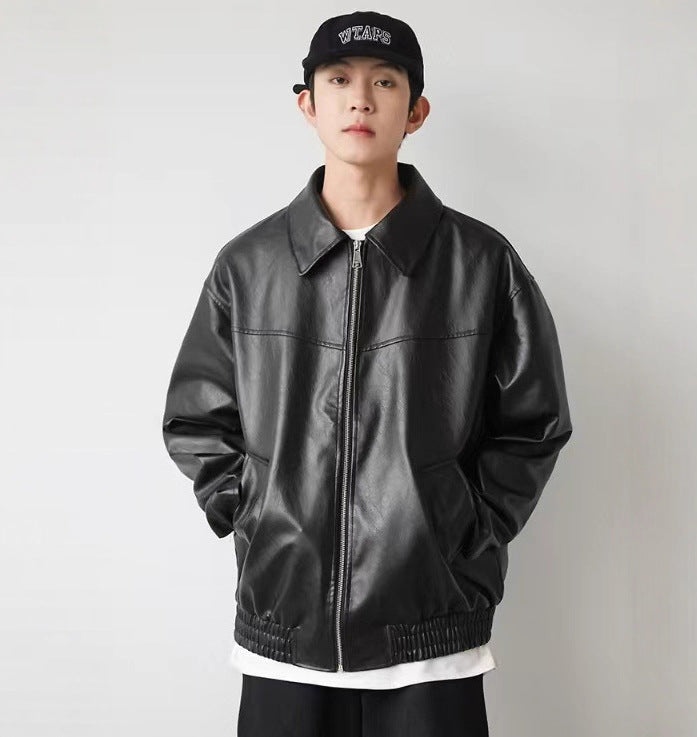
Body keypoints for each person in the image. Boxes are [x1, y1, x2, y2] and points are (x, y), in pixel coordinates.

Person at [162, 10, 573, 736]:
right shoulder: (247, 266)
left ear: (415, 112)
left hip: (431, 637)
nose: (360, 99)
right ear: (307, 104)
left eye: (385, 82)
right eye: (338, 80)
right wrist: (256, 513)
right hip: (284, 634)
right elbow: (197, 418)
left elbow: (533, 424)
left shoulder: (482, 264)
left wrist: (462, 529)